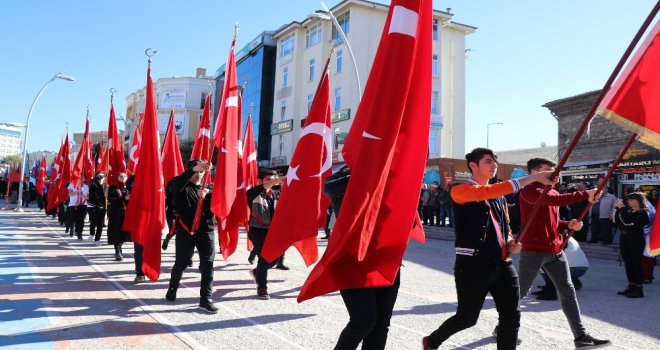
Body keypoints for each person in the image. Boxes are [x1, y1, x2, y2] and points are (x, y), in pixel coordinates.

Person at [423, 148, 557, 350]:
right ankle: (431, 341)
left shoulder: (500, 199)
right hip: (473, 264)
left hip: (503, 263)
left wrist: (511, 242)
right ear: (473, 165)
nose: (494, 165)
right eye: (488, 161)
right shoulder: (460, 191)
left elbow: (506, 227)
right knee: (467, 318)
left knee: (511, 315)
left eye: (495, 161)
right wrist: (536, 177)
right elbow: (488, 191)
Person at [511, 158, 610, 349]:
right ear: (533, 172)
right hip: (533, 250)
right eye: (548, 170)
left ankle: (581, 337)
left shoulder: (554, 191)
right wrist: (585, 194)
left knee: (568, 291)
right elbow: (551, 200)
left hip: (555, 250)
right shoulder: (529, 191)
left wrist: (568, 224)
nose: (554, 175)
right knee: (520, 293)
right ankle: (504, 329)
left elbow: (554, 221)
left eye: (555, 170)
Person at [323, 165, 401, 349]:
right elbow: (329, 188)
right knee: (363, 321)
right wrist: (371, 169)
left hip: (386, 259)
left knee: (381, 324)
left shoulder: (393, 173)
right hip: (352, 259)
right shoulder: (345, 173)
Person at [165, 160, 218, 313]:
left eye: (201, 172)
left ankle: (205, 299)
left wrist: (207, 197)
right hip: (185, 231)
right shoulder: (179, 184)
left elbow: (212, 212)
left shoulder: (209, 188)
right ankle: (173, 287)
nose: (198, 175)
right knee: (181, 264)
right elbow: (175, 187)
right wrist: (194, 169)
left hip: (205, 231)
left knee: (208, 265)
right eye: (195, 172)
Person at [246, 169, 286, 300]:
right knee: (264, 258)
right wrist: (278, 180)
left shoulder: (277, 193)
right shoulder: (253, 192)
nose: (272, 181)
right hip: (257, 230)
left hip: (274, 230)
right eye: (269, 179)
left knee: (274, 258)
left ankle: (258, 272)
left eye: (274, 178)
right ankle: (262, 287)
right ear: (260, 181)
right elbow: (264, 187)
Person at [614, 192, 651, 298]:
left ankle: (639, 289)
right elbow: (618, 221)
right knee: (628, 264)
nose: (629, 201)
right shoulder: (629, 211)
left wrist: (622, 209)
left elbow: (627, 222)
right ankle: (631, 286)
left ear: (638, 200)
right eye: (628, 199)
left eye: (631, 199)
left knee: (636, 264)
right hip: (625, 239)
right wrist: (617, 209)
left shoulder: (643, 213)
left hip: (636, 240)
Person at [107, 172, 130, 261]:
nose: (123, 177)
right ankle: (118, 252)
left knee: (124, 234)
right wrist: (123, 198)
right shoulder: (113, 187)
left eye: (124, 176)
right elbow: (111, 200)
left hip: (125, 213)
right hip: (116, 213)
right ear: (117, 177)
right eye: (121, 176)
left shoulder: (128, 188)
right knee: (116, 233)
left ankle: (120, 248)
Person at [85, 172, 107, 246]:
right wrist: (99, 204)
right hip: (93, 206)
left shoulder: (105, 186)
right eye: (102, 176)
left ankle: (97, 239)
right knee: (93, 221)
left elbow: (106, 196)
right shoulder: (93, 185)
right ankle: (91, 234)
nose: (104, 178)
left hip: (102, 207)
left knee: (100, 224)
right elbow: (94, 197)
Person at [642, 201, 656, 284]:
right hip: (644, 233)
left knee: (647, 255)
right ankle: (646, 275)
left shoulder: (647, 206)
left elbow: (649, 220)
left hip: (650, 233)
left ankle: (647, 276)